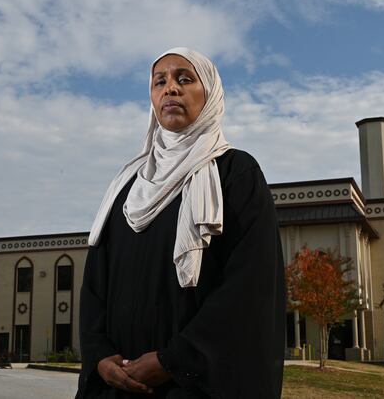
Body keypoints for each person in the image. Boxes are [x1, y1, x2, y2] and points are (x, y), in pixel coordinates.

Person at [76, 47, 285, 399]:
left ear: (212, 94)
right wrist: (99, 358)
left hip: (191, 386)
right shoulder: (127, 187)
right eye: (160, 81)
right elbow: (95, 284)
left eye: (184, 79)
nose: (169, 89)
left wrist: (174, 360)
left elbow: (250, 288)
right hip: (119, 384)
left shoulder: (234, 174)